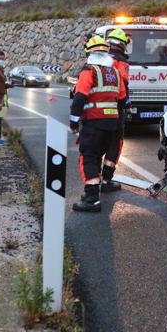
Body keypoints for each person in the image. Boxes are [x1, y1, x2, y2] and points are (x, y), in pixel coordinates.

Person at [69, 36, 127, 212]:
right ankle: (97, 189)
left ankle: (92, 199)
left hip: (93, 122)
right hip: (112, 124)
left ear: (90, 53)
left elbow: (79, 98)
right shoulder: (116, 73)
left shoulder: (89, 72)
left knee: (89, 157)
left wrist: (73, 122)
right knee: (100, 155)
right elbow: (122, 100)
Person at [101, 28, 131, 192]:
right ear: (122, 45)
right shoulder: (121, 61)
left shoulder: (99, 59)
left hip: (96, 111)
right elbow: (123, 83)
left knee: (96, 145)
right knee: (115, 143)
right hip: (116, 109)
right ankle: (106, 179)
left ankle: (92, 179)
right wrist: (126, 102)